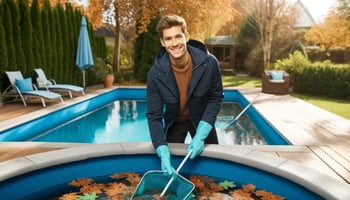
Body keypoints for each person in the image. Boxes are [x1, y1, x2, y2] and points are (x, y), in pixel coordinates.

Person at [146, 14, 224, 175]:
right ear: (162, 42)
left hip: (203, 120)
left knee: (215, 170)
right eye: (168, 39)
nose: (174, 44)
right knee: (170, 171)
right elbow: (154, 115)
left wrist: (202, 133)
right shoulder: (155, 74)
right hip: (175, 122)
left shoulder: (209, 63)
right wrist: (161, 149)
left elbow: (215, 97)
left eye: (178, 36)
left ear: (186, 36)